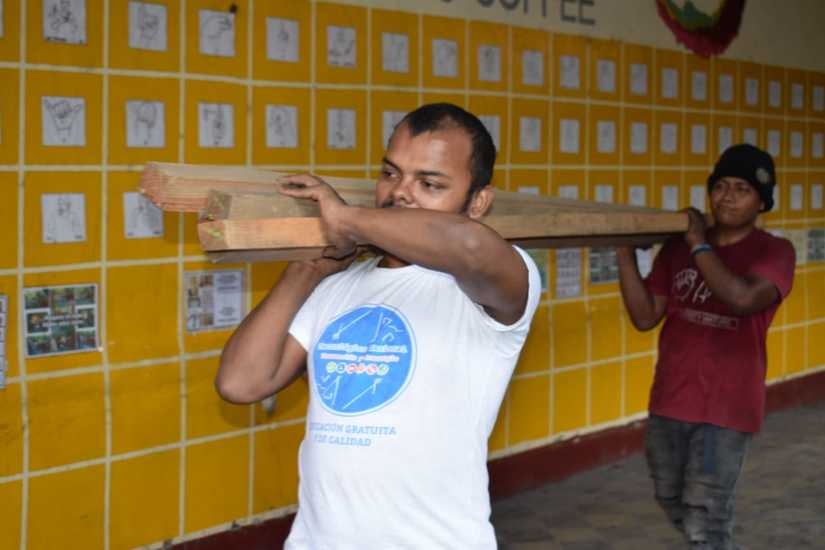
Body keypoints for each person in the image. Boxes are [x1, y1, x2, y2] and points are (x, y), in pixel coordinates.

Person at [215, 103, 541, 549]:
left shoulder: (489, 289)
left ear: (478, 202)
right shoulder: (338, 287)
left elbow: (469, 246)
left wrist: (345, 218)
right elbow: (241, 382)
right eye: (391, 174)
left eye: (429, 183)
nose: (401, 193)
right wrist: (307, 271)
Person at [616, 143, 796, 549]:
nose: (727, 196)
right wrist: (624, 255)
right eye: (721, 186)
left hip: (727, 409)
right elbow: (645, 317)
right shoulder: (677, 247)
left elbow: (742, 298)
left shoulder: (775, 252)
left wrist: (700, 245)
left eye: (742, 189)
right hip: (671, 399)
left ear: (762, 202)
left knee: (705, 516)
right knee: (669, 496)